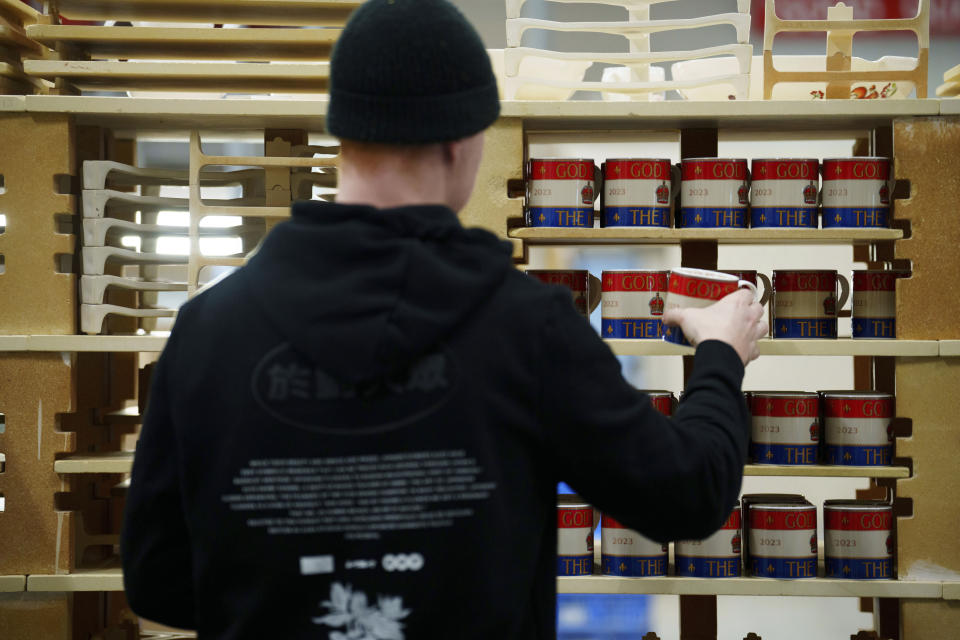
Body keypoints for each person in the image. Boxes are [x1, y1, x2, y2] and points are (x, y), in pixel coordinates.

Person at [121, 1, 767, 638]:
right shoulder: (527, 329)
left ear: (345, 137)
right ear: (460, 143)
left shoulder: (207, 331)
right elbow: (688, 493)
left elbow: (156, 576)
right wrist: (719, 356)